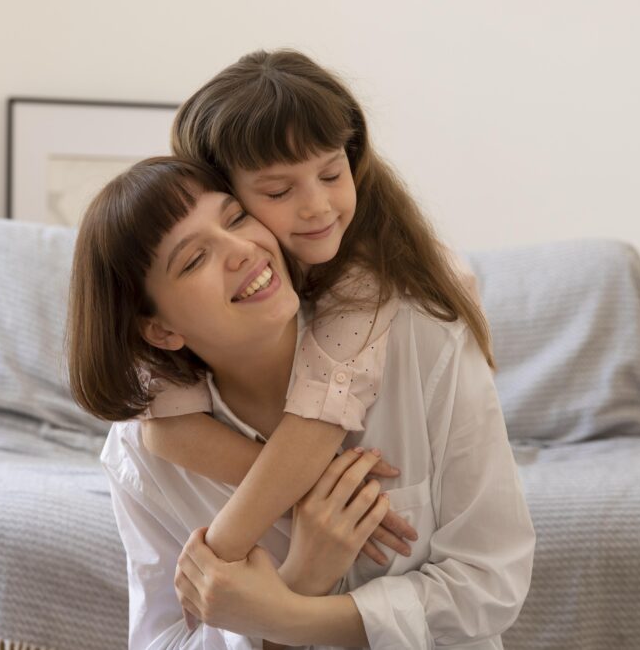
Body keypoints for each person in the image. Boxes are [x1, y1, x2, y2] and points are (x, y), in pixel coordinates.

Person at [67, 156, 535, 647]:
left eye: (235, 218)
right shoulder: (140, 458)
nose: (242, 249)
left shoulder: (423, 338)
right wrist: (303, 576)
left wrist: (285, 614)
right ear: (162, 330)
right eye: (194, 259)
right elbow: (163, 640)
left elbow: (490, 584)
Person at [92, 48, 491, 575]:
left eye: (332, 174)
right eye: (278, 191)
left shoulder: (369, 280)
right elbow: (163, 428)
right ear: (216, 186)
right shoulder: (199, 304)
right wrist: (309, 497)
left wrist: (220, 559)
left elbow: (320, 414)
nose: (318, 208)